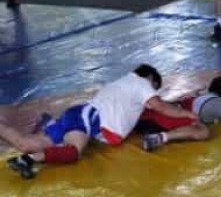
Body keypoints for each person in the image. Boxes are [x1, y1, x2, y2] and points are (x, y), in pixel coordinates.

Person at [1, 65, 198, 180]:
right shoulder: (141, 83)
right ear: (150, 79)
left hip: (80, 115)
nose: (153, 93)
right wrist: (187, 115)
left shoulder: (124, 83)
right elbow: (161, 107)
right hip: (86, 119)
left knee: (25, 144)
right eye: (155, 88)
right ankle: (28, 160)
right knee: (73, 152)